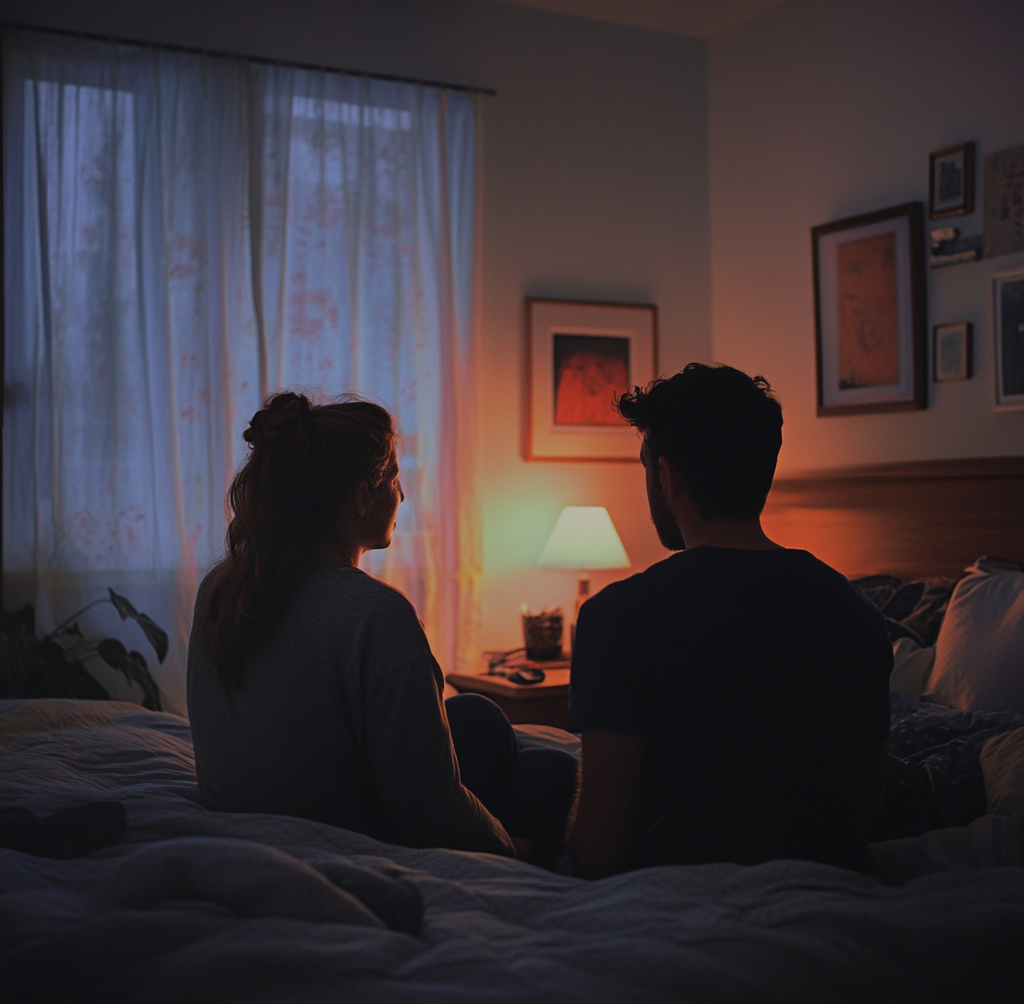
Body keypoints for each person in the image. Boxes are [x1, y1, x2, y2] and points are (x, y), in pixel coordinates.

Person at [187, 392, 577, 863]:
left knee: (479, 717)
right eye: (395, 478)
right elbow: (429, 811)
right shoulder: (374, 612)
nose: (403, 495)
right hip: (356, 832)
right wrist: (511, 848)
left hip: (259, 806)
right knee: (554, 774)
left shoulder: (221, 587)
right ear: (362, 497)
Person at [566, 364, 892, 879]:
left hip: (672, 899)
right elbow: (868, 812)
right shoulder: (858, 613)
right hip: (830, 883)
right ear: (763, 470)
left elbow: (598, 853)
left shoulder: (616, 617)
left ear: (666, 475)